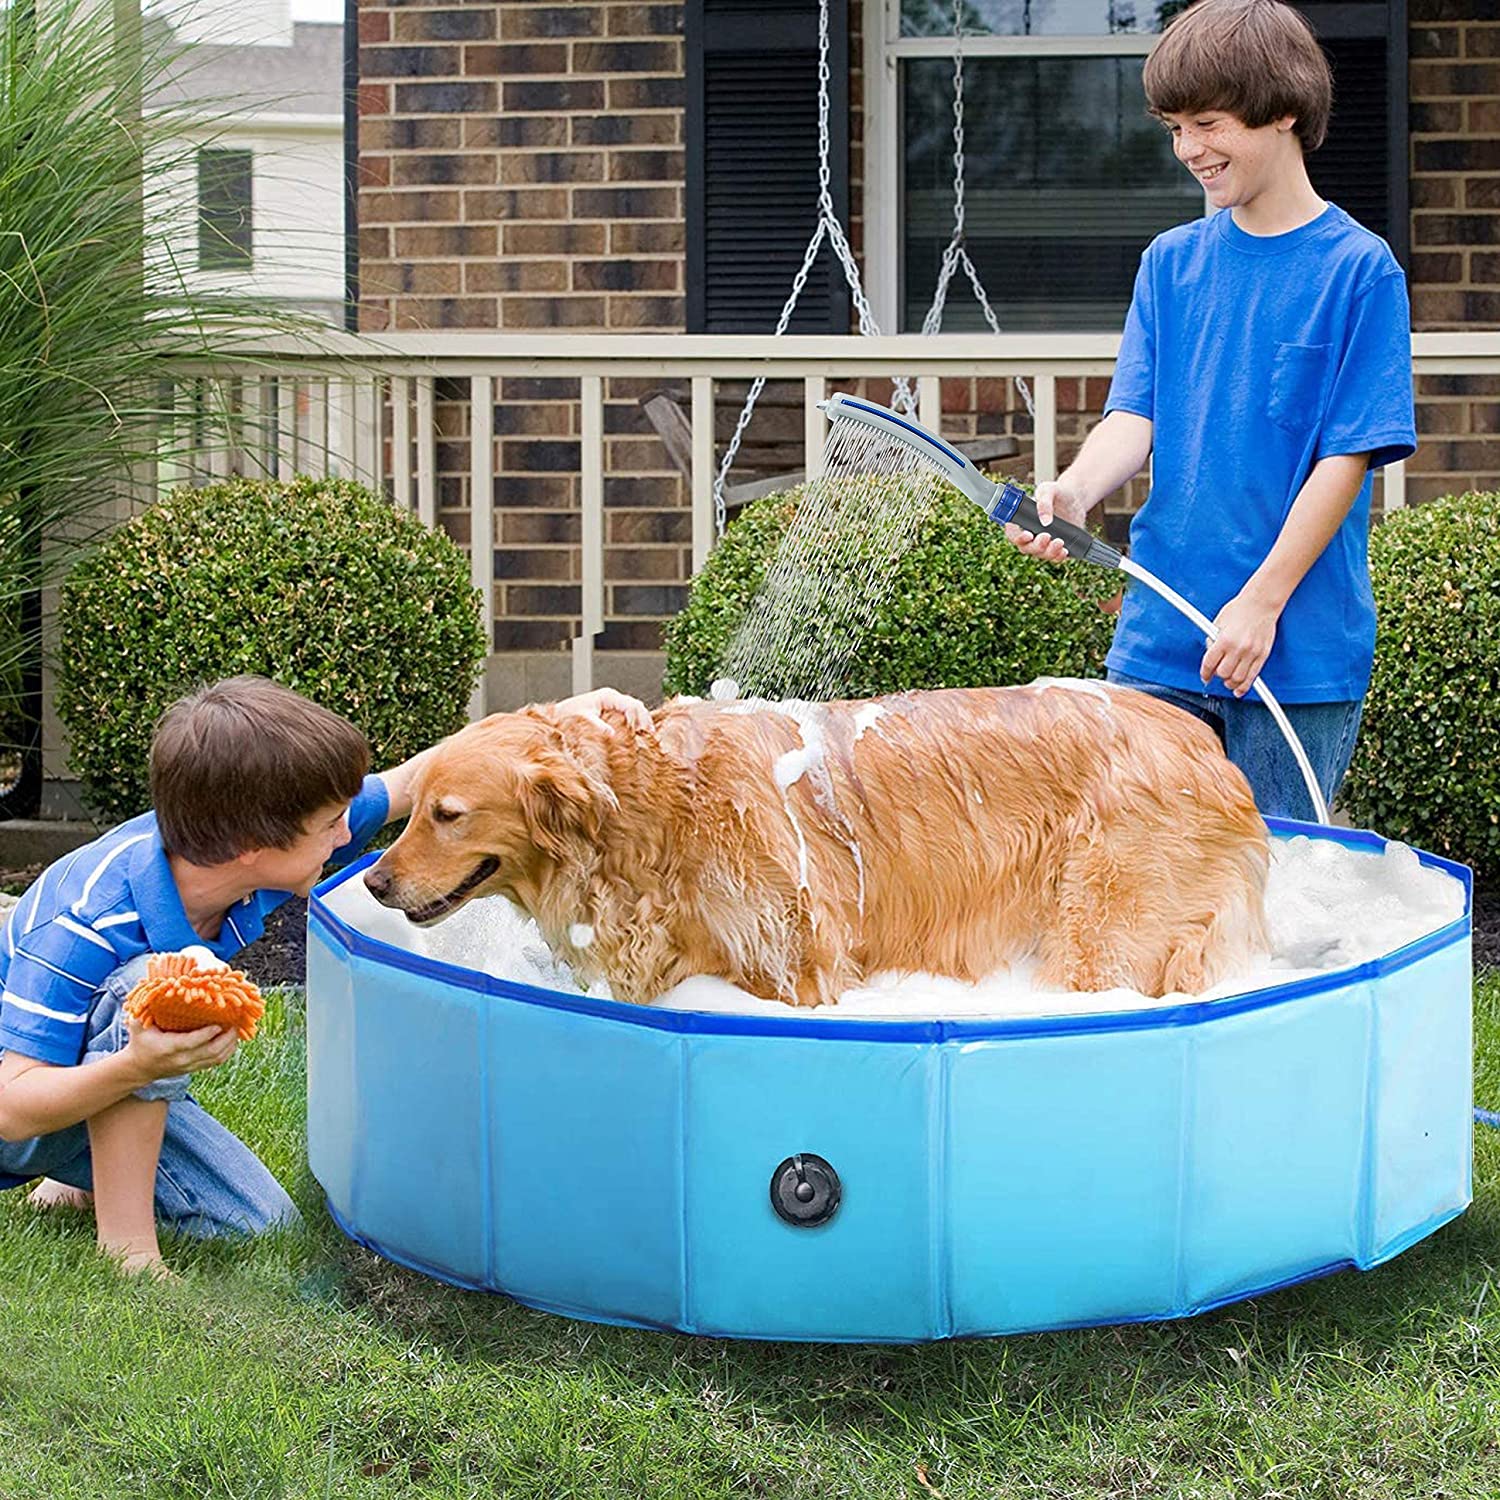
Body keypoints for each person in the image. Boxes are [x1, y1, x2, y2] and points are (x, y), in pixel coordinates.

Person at [0, 674, 648, 1276]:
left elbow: (413, 780)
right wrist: (136, 1068)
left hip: (95, 1077)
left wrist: (557, 721)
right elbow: (13, 1109)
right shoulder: (86, 920)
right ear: (254, 849)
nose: (348, 836)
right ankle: (129, 1249)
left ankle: (81, 1162)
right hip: (21, 1116)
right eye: (330, 826)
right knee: (143, 981)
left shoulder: (243, 843)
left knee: (256, 1227)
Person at [1007, 0, 1416, 820]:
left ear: (1284, 111)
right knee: (1139, 881)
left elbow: (1346, 460)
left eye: (1207, 123)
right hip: (1160, 640)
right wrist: (1080, 489)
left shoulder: (1360, 273)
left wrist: (1262, 603)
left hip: (1294, 651)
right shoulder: (1170, 264)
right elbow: (1136, 415)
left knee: (1274, 890)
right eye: (1172, 127)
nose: (1187, 149)